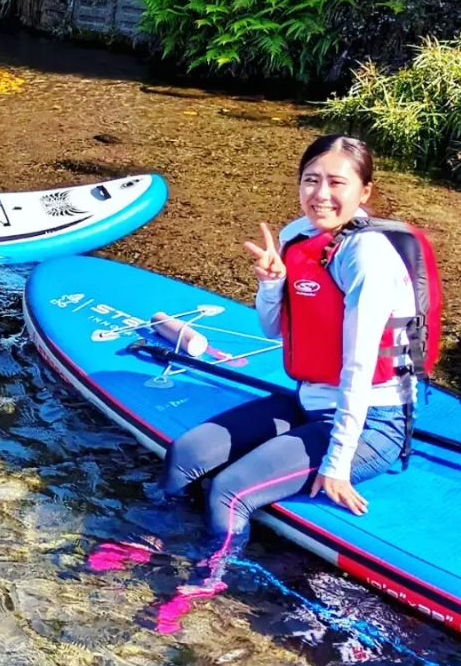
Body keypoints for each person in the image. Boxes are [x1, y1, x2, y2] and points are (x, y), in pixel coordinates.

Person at [151, 135, 437, 631]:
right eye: (311, 180)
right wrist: (270, 283)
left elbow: (358, 369)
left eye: (337, 183)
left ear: (365, 192)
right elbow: (272, 329)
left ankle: (210, 578)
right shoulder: (297, 235)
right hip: (310, 400)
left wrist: (337, 464)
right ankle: (151, 542)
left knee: (229, 491)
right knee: (187, 452)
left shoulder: (366, 258)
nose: (321, 194)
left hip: (373, 422)